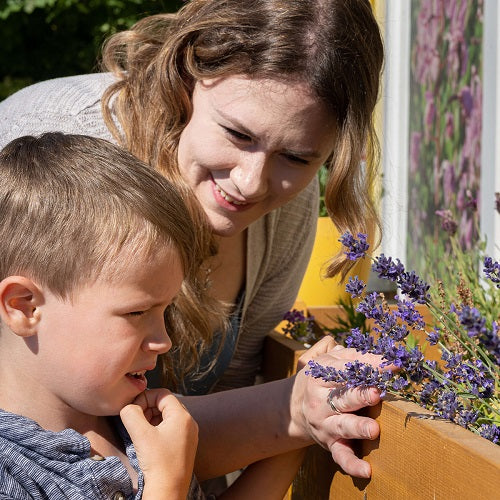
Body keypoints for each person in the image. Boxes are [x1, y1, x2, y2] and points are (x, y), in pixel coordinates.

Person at [0, 0, 386, 483]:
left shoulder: (284, 209)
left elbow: (198, 437)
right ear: (186, 77)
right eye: (238, 134)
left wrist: (299, 416)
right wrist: (288, 410)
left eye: (296, 156)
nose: (251, 183)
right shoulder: (56, 154)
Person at [0, 132, 308, 499]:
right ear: (24, 307)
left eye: (166, 309)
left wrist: (302, 425)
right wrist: (167, 484)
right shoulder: (13, 472)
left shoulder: (131, 424)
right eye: (136, 311)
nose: (164, 341)